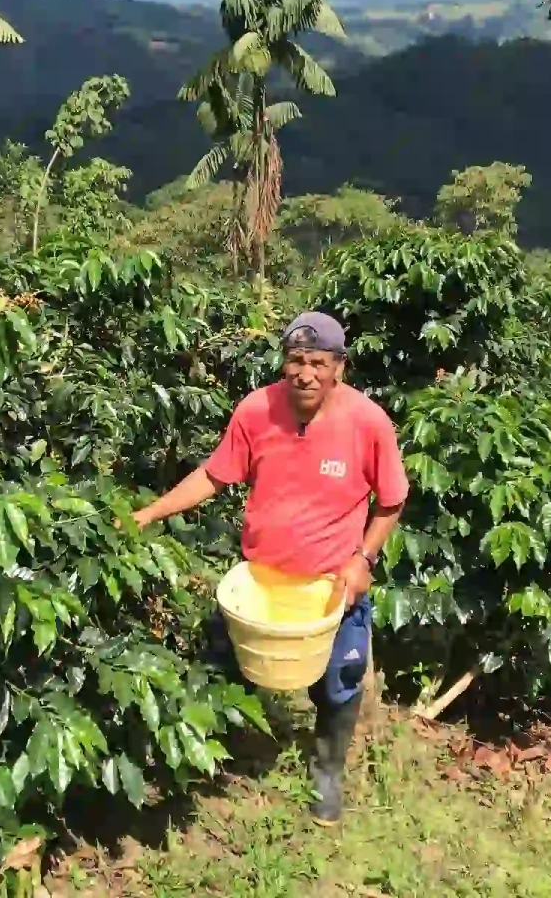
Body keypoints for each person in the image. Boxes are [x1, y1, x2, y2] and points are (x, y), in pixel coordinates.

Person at [131, 311, 408, 825]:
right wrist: (150, 512)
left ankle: (327, 773)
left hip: (331, 586)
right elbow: (214, 476)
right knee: (219, 666)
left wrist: (363, 558)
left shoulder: (368, 422)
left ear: (339, 368)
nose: (305, 373)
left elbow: (391, 501)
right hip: (262, 580)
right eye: (295, 360)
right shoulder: (256, 411)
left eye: (318, 363)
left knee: (339, 681)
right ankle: (205, 761)